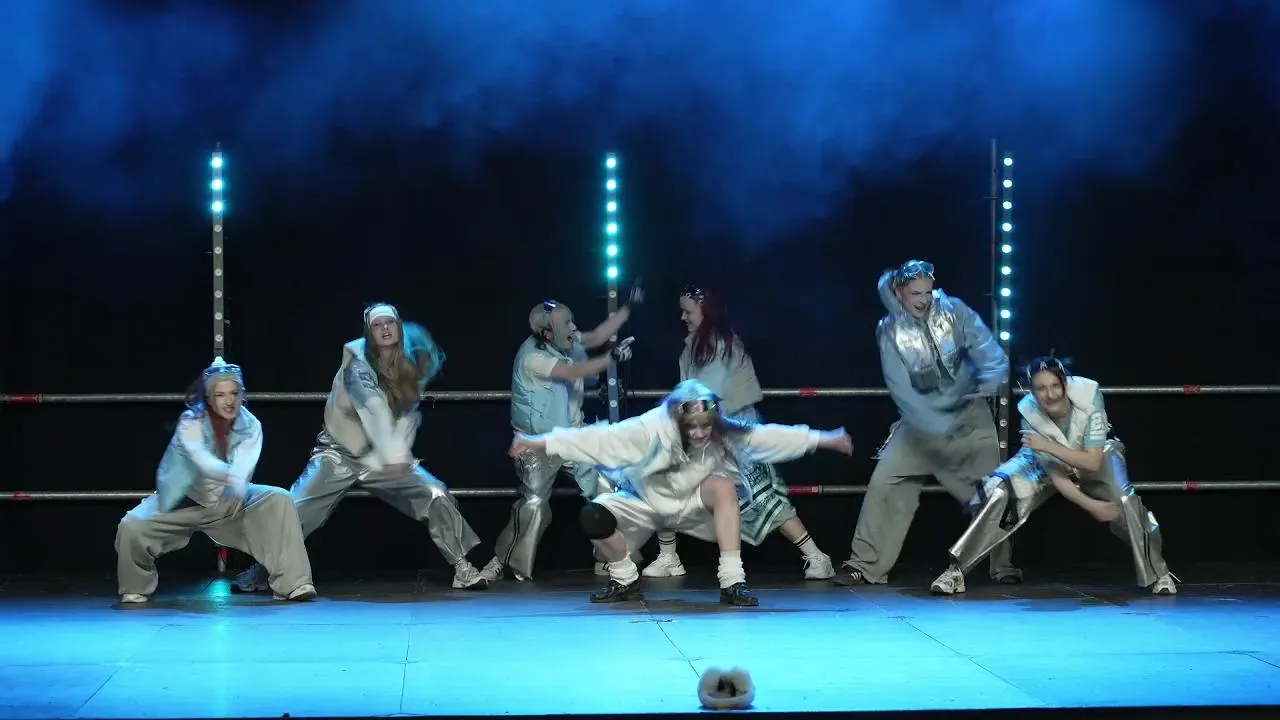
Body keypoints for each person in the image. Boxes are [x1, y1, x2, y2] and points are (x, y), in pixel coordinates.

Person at [509, 380, 854, 607]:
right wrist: (538, 442)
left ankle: (732, 581)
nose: (701, 434)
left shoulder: (722, 431)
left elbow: (768, 437)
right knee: (593, 515)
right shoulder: (648, 428)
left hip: (692, 503)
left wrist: (824, 439)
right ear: (678, 419)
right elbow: (598, 439)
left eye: (706, 426)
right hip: (645, 503)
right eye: (693, 427)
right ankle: (625, 578)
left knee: (722, 486)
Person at [233, 303, 489, 592]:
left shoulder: (406, 368)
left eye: (389, 323)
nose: (385, 329)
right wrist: (395, 454)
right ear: (369, 333)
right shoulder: (357, 366)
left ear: (398, 327)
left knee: (434, 494)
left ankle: (462, 567)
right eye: (377, 325)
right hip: (339, 452)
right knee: (294, 509)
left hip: (380, 458)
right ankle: (263, 569)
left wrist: (402, 455)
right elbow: (375, 410)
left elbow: (405, 418)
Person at [833, 260, 1021, 586]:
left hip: (969, 414)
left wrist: (986, 381)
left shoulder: (955, 311)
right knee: (885, 482)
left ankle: (1002, 565)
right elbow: (902, 391)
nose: (923, 300)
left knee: (992, 491)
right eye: (915, 293)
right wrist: (936, 428)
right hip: (919, 424)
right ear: (899, 292)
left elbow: (990, 353)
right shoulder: (889, 330)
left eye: (927, 292)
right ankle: (865, 565)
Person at [930, 356, 1178, 595]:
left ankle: (1159, 572)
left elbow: (1092, 462)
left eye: (1055, 386)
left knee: (1124, 500)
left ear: (1065, 383)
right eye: (1041, 388)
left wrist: (1048, 446)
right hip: (1048, 460)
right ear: (1032, 391)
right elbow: (1056, 476)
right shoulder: (1029, 413)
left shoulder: (1089, 396)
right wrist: (1090, 505)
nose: (1050, 394)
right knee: (1000, 491)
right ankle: (957, 570)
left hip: (1096, 453)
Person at [642, 284, 835, 581]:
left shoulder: (720, 345)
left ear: (705, 310)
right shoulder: (697, 345)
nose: (683, 317)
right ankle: (669, 556)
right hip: (704, 430)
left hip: (732, 432)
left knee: (761, 498)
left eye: (687, 311)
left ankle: (816, 556)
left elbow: (708, 395)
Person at [115, 358, 316, 604]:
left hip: (228, 502)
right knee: (132, 525)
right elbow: (204, 461)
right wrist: (233, 480)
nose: (229, 401)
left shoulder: (251, 425)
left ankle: (294, 583)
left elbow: (244, 465)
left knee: (279, 499)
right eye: (221, 394)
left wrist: (237, 488)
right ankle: (135, 586)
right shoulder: (191, 422)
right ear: (209, 398)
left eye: (234, 393)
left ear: (242, 394)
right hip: (183, 502)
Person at [479, 289, 642, 583]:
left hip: (571, 438)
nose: (574, 328)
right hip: (536, 444)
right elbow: (573, 371)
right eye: (567, 323)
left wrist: (628, 308)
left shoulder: (565, 341)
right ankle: (502, 561)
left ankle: (610, 558)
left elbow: (596, 336)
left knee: (607, 489)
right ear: (547, 332)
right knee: (534, 506)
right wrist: (612, 357)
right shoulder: (533, 358)